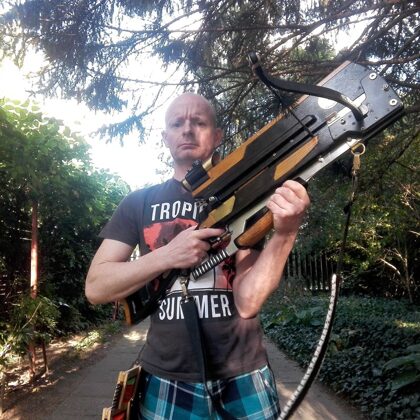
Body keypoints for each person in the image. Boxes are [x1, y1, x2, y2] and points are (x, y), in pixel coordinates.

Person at [85, 92, 310, 419]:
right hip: (165, 376)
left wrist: (286, 231)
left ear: (217, 136)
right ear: (166, 137)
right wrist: (167, 256)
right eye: (177, 123)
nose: (187, 129)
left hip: (244, 373)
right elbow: (95, 287)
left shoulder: (246, 197)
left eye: (199, 123)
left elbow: (248, 302)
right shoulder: (138, 202)